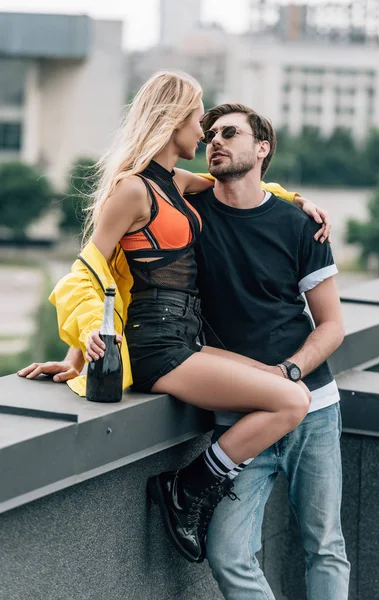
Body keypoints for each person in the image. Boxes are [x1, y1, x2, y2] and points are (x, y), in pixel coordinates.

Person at [17, 72, 333, 576]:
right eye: (198, 116)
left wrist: (296, 201)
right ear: (173, 121)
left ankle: (189, 486)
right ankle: (187, 489)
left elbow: (245, 185)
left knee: (280, 382)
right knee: (293, 399)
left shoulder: (176, 183)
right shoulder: (133, 189)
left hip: (187, 337)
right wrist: (82, 345)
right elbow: (91, 271)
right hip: (156, 345)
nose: (205, 130)